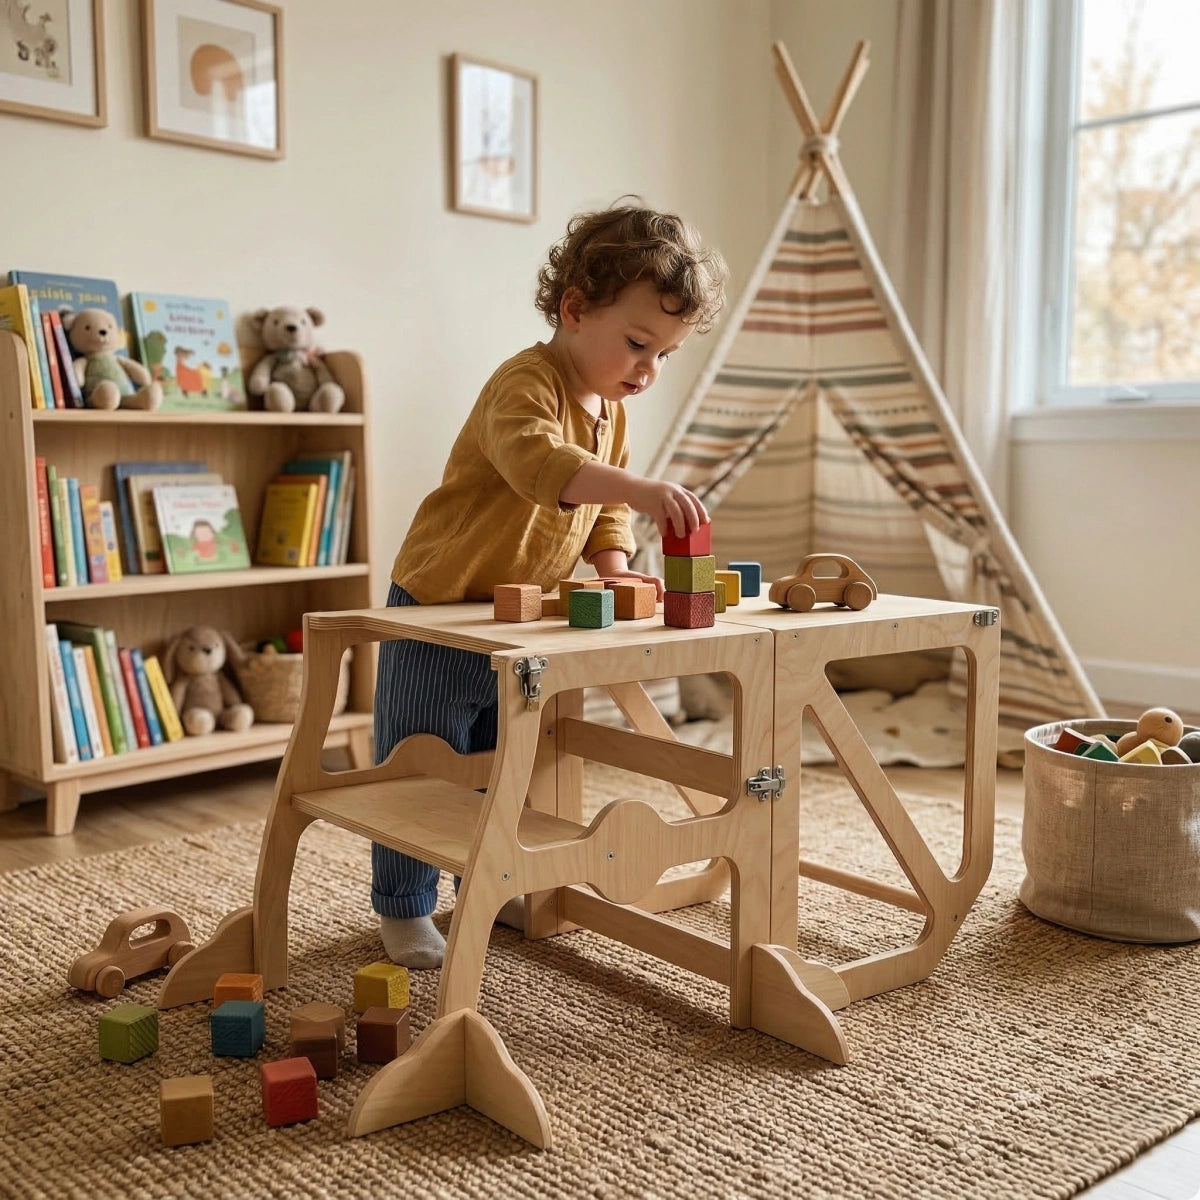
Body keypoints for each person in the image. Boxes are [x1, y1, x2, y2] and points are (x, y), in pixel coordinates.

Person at [374, 201, 728, 968]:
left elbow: (599, 510)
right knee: (419, 764)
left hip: (516, 621)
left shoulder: (612, 411)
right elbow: (540, 467)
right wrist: (636, 490)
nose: (648, 370)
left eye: (664, 355)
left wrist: (613, 564)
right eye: (638, 344)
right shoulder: (524, 384)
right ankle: (402, 908)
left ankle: (488, 882)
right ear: (574, 310)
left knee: (504, 766)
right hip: (439, 606)